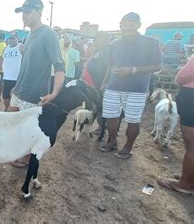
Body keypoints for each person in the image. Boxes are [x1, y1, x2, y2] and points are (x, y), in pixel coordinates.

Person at [10, 0, 65, 167]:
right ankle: (19, 152)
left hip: (34, 94)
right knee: (12, 123)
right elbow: (27, 64)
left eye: (27, 12)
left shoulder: (49, 35)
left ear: (39, 11)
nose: (24, 16)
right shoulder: (30, 34)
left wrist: (55, 92)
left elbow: (59, 66)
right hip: (19, 90)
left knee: (28, 130)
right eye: (22, 13)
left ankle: (26, 158)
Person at [99, 12, 162, 159]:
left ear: (138, 25)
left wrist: (133, 70)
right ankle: (112, 140)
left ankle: (128, 146)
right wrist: (104, 82)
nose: (127, 26)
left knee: (133, 119)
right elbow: (110, 64)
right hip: (113, 86)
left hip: (137, 88)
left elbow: (157, 66)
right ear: (120, 26)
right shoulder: (114, 44)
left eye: (131, 23)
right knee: (110, 116)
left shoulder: (150, 43)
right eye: (124, 24)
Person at [157, 54, 194, 194]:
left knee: (191, 145)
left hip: (191, 98)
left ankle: (184, 183)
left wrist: (179, 78)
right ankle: (190, 177)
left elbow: (183, 76)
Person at [81, 31, 111, 134]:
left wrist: (104, 83)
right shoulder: (98, 50)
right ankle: (88, 123)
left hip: (99, 83)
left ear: (104, 39)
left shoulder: (106, 50)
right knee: (93, 104)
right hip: (91, 82)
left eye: (97, 39)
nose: (94, 41)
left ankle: (102, 127)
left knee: (100, 105)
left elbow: (108, 67)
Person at [0, 32, 22, 111]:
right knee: (5, 96)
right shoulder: (6, 48)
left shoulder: (21, 47)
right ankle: (6, 109)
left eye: (13, 38)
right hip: (7, 77)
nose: (11, 40)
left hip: (18, 78)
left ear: (18, 39)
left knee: (16, 97)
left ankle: (15, 112)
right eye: (10, 38)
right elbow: (1, 59)